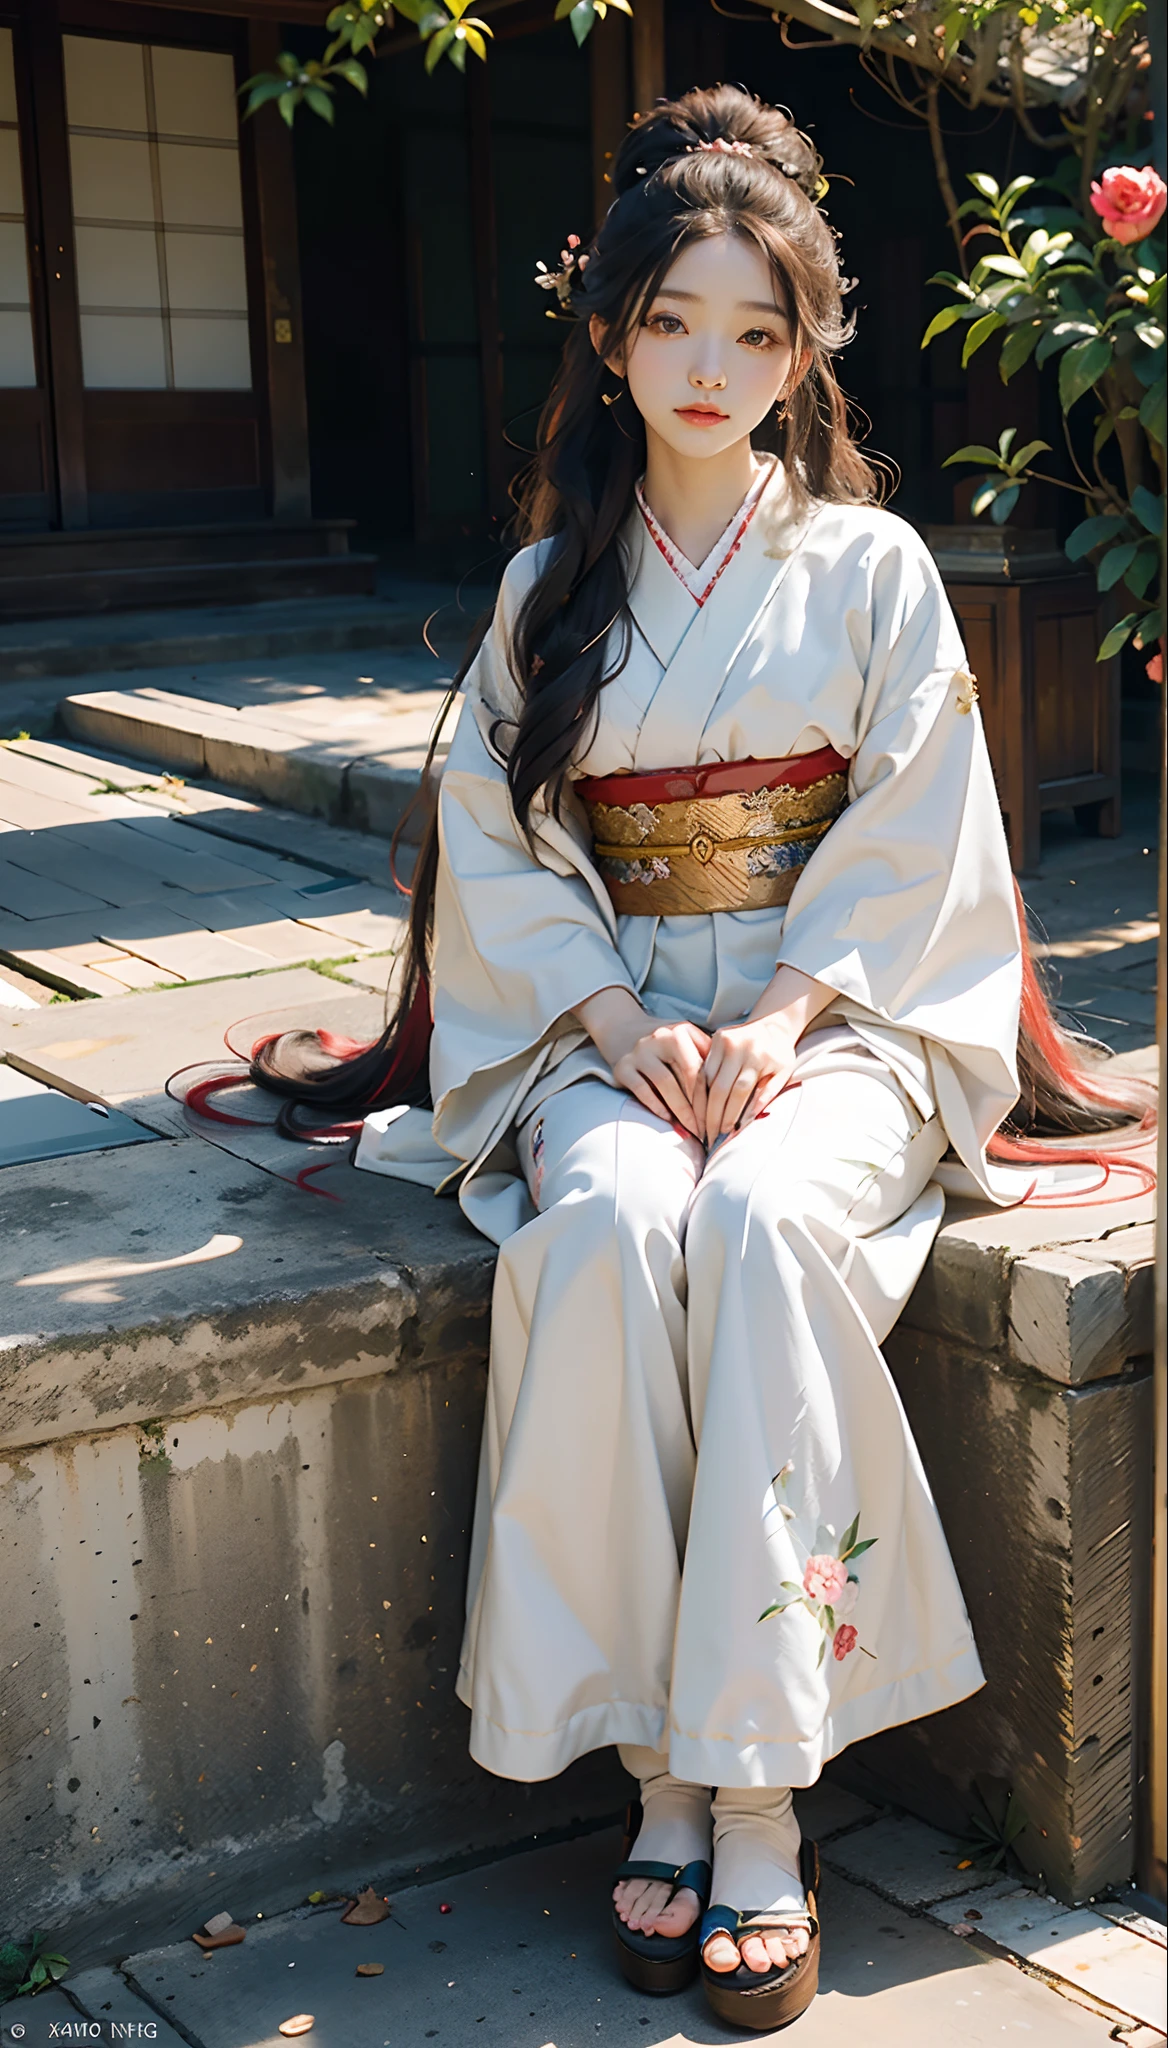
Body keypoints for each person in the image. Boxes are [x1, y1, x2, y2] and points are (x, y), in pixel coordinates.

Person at [246, 86, 1154, 2032]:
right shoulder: (537, 597)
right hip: (604, 1023)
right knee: (591, 1222)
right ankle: (647, 1764)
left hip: (828, 1028)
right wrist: (612, 1027)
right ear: (604, 332)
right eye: (673, 322)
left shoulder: (867, 572)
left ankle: (752, 1790)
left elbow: (918, 837)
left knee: (749, 1219)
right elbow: (503, 858)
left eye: (759, 330)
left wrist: (764, 1018)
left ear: (805, 345)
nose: (712, 367)